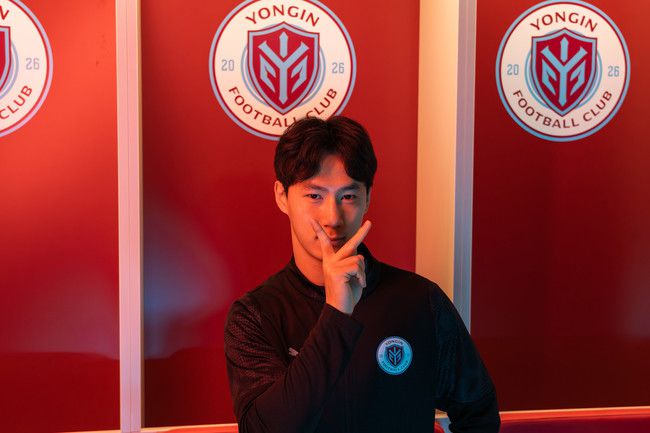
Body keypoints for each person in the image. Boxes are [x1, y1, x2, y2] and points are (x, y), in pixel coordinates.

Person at [224, 116, 500, 433]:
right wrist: (336, 313)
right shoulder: (255, 315)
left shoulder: (420, 300)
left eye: (348, 196)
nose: (332, 218)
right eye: (314, 196)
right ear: (282, 196)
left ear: (368, 197)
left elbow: (479, 412)